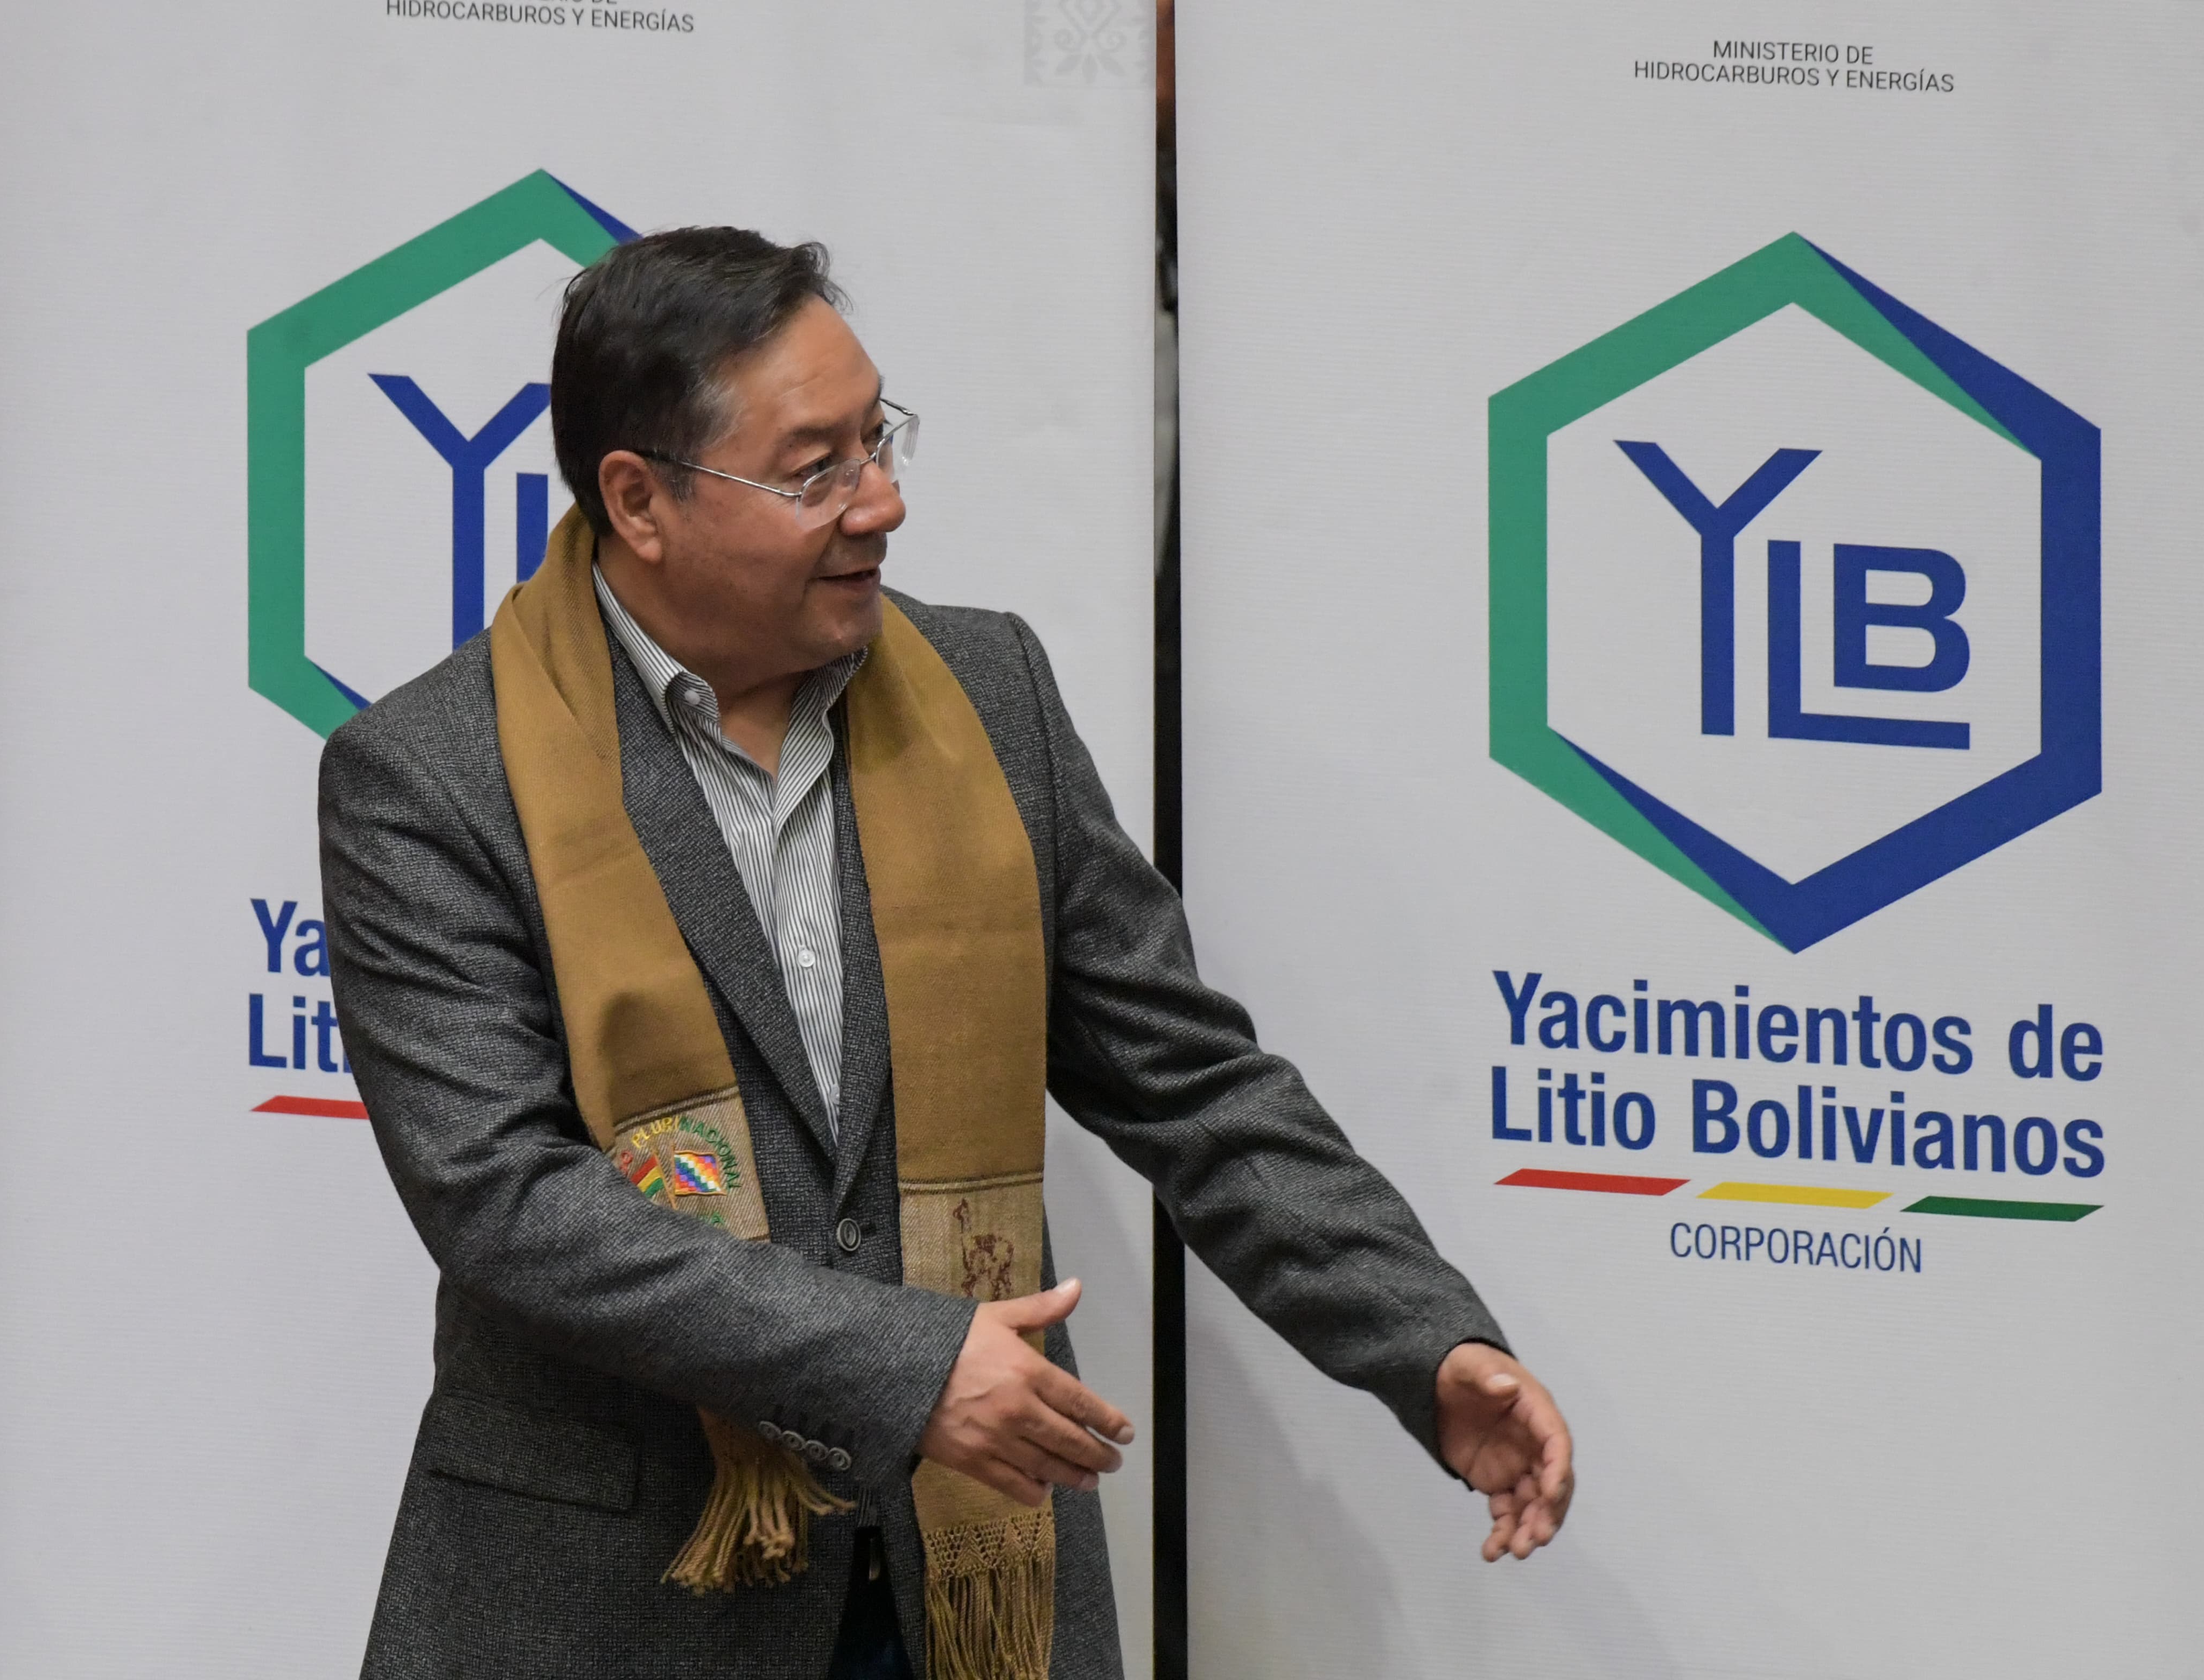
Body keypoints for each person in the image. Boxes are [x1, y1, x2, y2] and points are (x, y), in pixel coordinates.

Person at [320, 228, 1572, 1680]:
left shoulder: (989, 692)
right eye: (815, 471)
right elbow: (508, 1204)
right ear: (639, 500)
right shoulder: (432, 776)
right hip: (611, 1604)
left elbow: (1189, 1082)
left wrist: (1422, 1343)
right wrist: (910, 1366)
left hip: (958, 1587)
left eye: (879, 439)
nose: (883, 501)